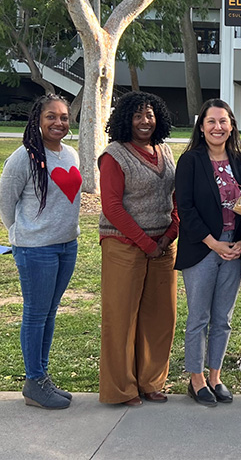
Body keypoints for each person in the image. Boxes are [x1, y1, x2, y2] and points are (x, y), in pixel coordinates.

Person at [0, 94, 81, 410]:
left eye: (63, 117)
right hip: (36, 250)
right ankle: (34, 380)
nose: (59, 122)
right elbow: (6, 204)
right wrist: (22, 234)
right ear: (37, 120)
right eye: (51, 116)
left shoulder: (70, 154)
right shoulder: (23, 158)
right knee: (36, 314)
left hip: (67, 246)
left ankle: (42, 378)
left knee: (49, 313)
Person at [98, 91, 178, 406]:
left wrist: (172, 231)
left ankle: (151, 382)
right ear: (125, 119)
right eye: (137, 116)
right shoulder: (114, 155)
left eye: (149, 115)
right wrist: (145, 242)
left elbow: (175, 198)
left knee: (161, 317)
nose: (145, 122)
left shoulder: (166, 151)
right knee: (121, 318)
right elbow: (112, 207)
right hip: (123, 245)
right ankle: (121, 389)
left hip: (162, 245)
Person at [175, 99, 241, 407]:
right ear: (201, 127)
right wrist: (213, 243)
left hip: (234, 246)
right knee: (199, 317)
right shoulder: (190, 161)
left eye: (223, 121)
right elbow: (185, 208)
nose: (218, 127)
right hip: (202, 248)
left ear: (231, 126)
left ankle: (215, 376)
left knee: (223, 318)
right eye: (211, 122)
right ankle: (196, 379)